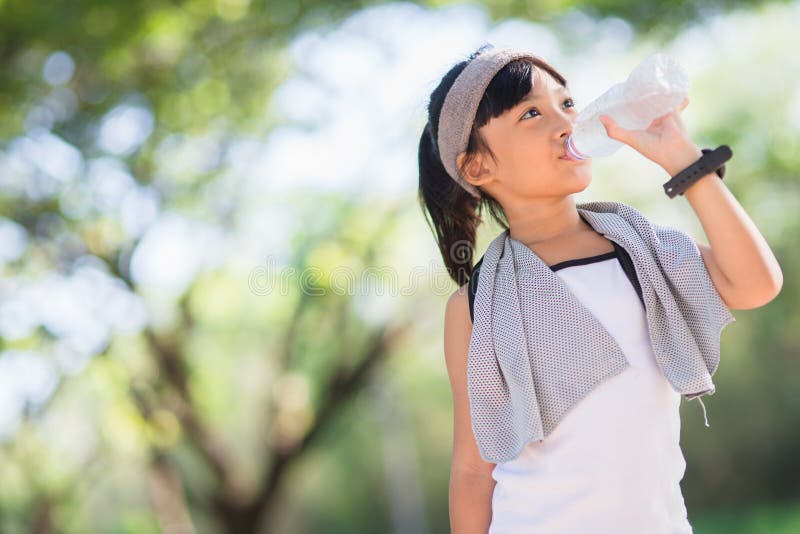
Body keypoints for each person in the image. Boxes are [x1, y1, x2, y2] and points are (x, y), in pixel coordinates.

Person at [417, 44, 782, 533]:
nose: (567, 122)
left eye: (567, 104)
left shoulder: (641, 251)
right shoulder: (475, 306)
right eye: (532, 113)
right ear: (479, 167)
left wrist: (683, 160)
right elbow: (471, 470)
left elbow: (756, 284)